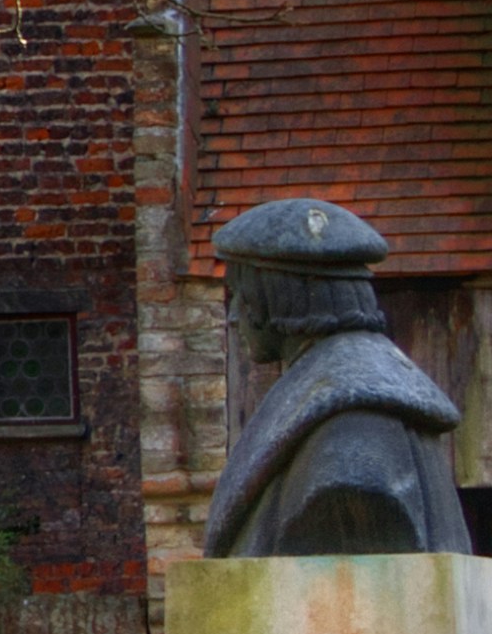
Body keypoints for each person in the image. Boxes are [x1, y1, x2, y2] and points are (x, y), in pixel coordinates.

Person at [197, 198, 475, 559]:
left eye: (239, 296)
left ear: (275, 296)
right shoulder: (349, 392)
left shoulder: (352, 430)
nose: (233, 316)